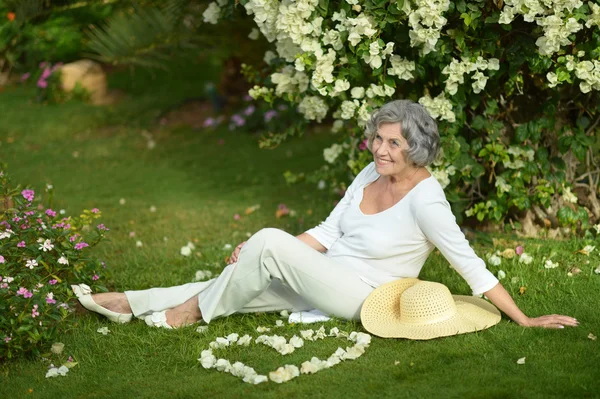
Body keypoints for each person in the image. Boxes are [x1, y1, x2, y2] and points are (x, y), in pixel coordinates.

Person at [73, 100, 578, 331]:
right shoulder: (368, 173)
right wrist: (277, 255)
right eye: (377, 138)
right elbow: (327, 230)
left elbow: (470, 263)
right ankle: (124, 302)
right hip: (325, 273)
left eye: (393, 142)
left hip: (364, 295)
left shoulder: (427, 199)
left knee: (265, 243)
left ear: (417, 148)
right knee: (238, 280)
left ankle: (184, 316)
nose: (380, 149)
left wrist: (526, 319)